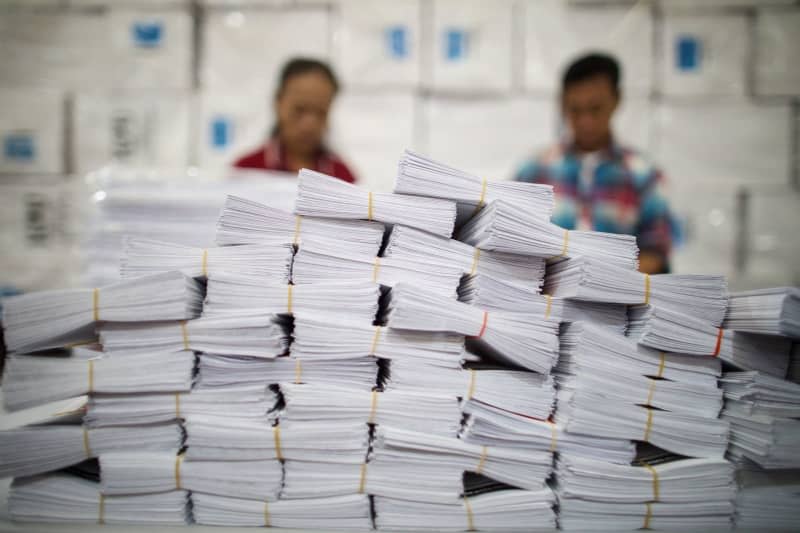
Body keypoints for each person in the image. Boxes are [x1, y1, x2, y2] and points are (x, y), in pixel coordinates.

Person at [514, 53, 676, 274]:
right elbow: (512, 240)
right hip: (547, 301)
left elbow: (656, 251)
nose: (586, 121)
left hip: (617, 302)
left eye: (595, 109)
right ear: (562, 104)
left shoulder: (643, 174)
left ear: (616, 100)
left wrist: (604, 280)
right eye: (575, 110)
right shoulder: (534, 170)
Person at [234, 58, 357, 183]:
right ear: (278, 103)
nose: (309, 125)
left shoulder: (343, 177)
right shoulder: (246, 171)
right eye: (299, 110)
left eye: (321, 112)